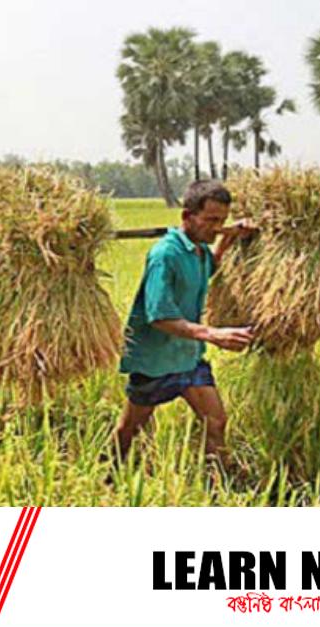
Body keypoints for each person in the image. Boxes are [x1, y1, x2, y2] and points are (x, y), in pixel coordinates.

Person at [112, 180, 257, 470]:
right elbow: (159, 315)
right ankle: (107, 472)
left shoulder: (200, 250)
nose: (217, 227)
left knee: (215, 421)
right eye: (211, 220)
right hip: (155, 362)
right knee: (130, 430)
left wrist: (228, 239)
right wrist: (214, 334)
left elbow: (207, 270)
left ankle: (218, 485)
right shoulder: (165, 255)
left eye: (223, 221)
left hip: (188, 359)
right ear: (187, 217)